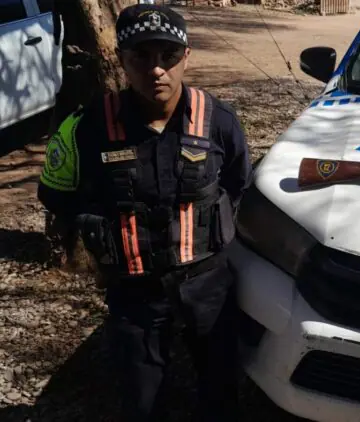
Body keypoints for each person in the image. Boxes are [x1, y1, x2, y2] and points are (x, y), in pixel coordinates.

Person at [36, 4, 251, 421]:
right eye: (141, 56)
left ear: (186, 57)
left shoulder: (219, 121)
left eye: (169, 56)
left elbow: (238, 182)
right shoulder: (86, 126)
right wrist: (97, 227)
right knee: (142, 402)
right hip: (134, 291)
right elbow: (55, 192)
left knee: (221, 395)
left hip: (207, 284)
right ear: (121, 59)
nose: (156, 70)